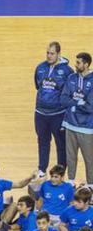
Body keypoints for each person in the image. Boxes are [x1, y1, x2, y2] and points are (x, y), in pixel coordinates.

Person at [34, 41, 72, 174]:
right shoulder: (40, 68)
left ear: (58, 54)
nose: (49, 56)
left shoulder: (67, 71)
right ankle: (41, 170)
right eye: (47, 53)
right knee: (43, 142)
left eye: (52, 53)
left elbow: (70, 92)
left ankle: (60, 171)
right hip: (40, 113)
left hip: (58, 114)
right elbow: (38, 86)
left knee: (61, 144)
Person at [60, 51, 93, 183]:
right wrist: (79, 103)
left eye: (78, 62)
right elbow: (63, 99)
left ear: (86, 64)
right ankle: (71, 182)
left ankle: (91, 185)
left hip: (86, 128)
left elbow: (91, 107)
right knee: (70, 157)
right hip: (70, 124)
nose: (76, 64)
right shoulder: (72, 78)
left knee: (89, 159)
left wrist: (73, 105)